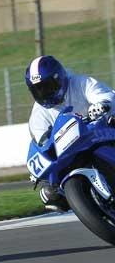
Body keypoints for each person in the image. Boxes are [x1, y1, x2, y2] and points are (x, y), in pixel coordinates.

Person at [25, 55, 115, 211]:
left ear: (59, 78)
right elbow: (42, 141)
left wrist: (102, 104)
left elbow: (106, 95)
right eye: (37, 90)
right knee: (50, 193)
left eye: (47, 86)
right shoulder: (38, 114)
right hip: (72, 151)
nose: (44, 93)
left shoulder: (80, 83)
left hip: (102, 131)